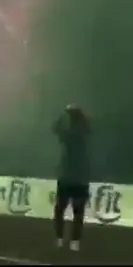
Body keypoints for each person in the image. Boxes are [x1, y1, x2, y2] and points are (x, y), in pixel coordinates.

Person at [52, 104, 92, 251]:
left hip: (66, 178)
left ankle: (59, 239)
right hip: (81, 179)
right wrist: (79, 113)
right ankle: (75, 242)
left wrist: (63, 114)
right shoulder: (86, 133)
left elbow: (55, 128)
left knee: (59, 210)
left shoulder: (67, 134)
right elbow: (89, 125)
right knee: (78, 213)